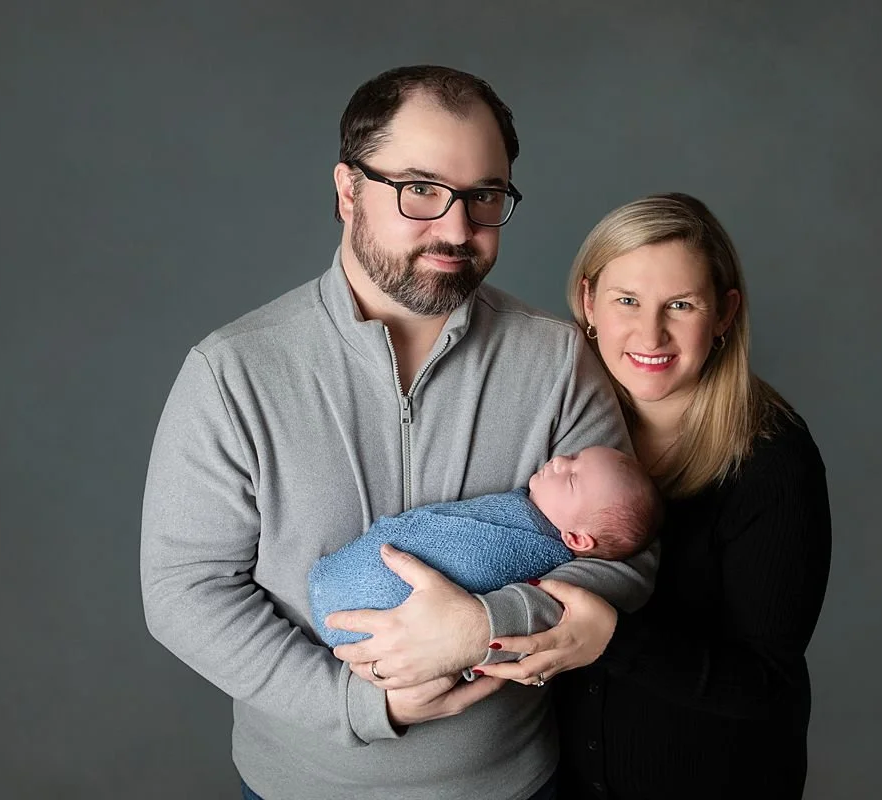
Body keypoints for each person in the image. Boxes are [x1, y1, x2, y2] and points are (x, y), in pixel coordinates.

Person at [139, 65, 660, 800]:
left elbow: (626, 557)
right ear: (348, 191)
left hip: (513, 787)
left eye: (484, 196)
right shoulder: (233, 372)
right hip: (298, 788)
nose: (457, 227)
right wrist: (357, 704)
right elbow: (184, 591)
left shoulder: (556, 358)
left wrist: (485, 625)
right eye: (420, 189)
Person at [477, 193, 832, 798]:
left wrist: (614, 640)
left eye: (681, 305)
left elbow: (766, 682)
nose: (651, 333)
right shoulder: (554, 424)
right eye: (627, 300)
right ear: (588, 302)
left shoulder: (773, 460)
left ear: (724, 314)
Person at [310, 446, 663, 648]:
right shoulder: (523, 507)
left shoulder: (534, 551)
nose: (559, 461)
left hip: (372, 608)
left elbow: (473, 565)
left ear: (577, 539)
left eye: (571, 478)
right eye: (572, 456)